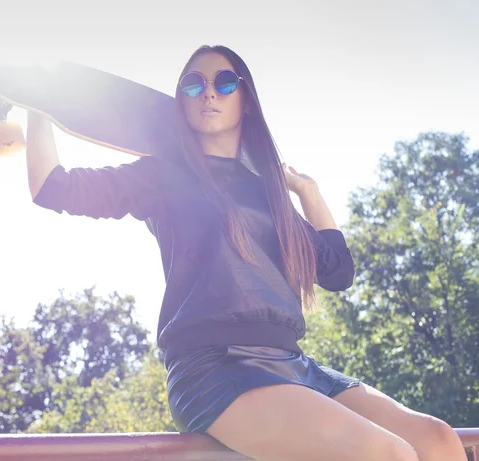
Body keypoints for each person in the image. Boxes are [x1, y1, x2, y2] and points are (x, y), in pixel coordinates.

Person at [25, 45, 467, 461]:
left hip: (294, 365)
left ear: (246, 100)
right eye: (193, 84)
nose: (209, 92)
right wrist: (37, 105)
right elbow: (52, 187)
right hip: (214, 368)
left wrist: (309, 193)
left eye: (224, 82)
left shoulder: (268, 194)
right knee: (388, 455)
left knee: (437, 440)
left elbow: (337, 271)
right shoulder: (162, 176)